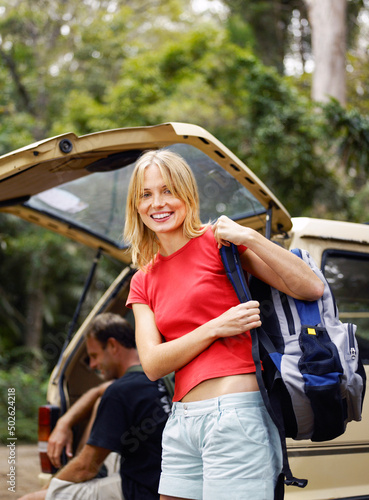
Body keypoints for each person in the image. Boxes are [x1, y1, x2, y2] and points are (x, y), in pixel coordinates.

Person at [124, 149, 325, 500]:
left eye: (168, 190)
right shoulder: (143, 278)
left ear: (187, 194)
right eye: (146, 194)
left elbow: (311, 287)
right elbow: (154, 364)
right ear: (136, 205)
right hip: (182, 420)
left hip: (235, 417)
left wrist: (248, 237)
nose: (158, 203)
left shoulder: (219, 244)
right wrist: (216, 326)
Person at [18, 313, 172, 500]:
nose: (92, 364)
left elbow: (86, 468)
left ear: (113, 346)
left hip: (139, 490)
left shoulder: (120, 392)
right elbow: (100, 391)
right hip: (165, 482)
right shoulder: (160, 376)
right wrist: (64, 423)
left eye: (94, 355)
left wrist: (48, 490)